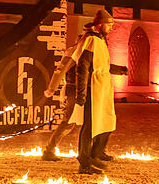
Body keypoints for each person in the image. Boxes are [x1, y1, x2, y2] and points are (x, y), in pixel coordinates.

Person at [69, 9, 127, 173]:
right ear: (101, 24)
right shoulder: (90, 40)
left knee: (108, 121)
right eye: (109, 25)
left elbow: (101, 66)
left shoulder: (100, 39)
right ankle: (84, 163)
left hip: (102, 87)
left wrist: (118, 69)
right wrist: (81, 93)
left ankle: (97, 153)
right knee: (89, 126)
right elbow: (83, 67)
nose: (110, 28)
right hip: (92, 88)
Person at [40, 32, 89, 161]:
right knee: (68, 121)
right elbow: (61, 69)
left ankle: (91, 152)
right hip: (73, 90)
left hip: (82, 90)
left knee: (78, 122)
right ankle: (48, 150)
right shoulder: (74, 52)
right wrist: (52, 88)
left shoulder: (86, 52)